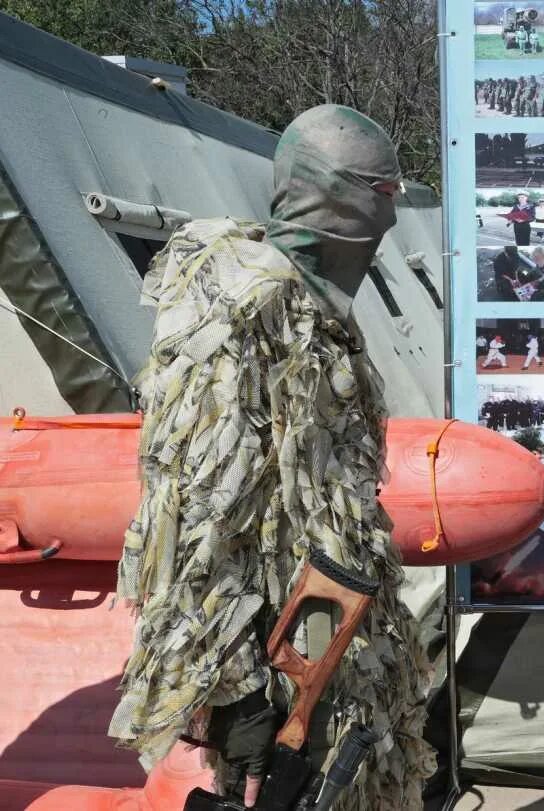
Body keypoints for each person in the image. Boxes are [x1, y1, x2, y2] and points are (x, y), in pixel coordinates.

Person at [107, 105, 434, 808]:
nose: (389, 223)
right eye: (381, 199)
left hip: (341, 639)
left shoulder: (320, 315)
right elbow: (196, 513)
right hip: (275, 662)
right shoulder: (242, 313)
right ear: (340, 200)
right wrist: (237, 695)